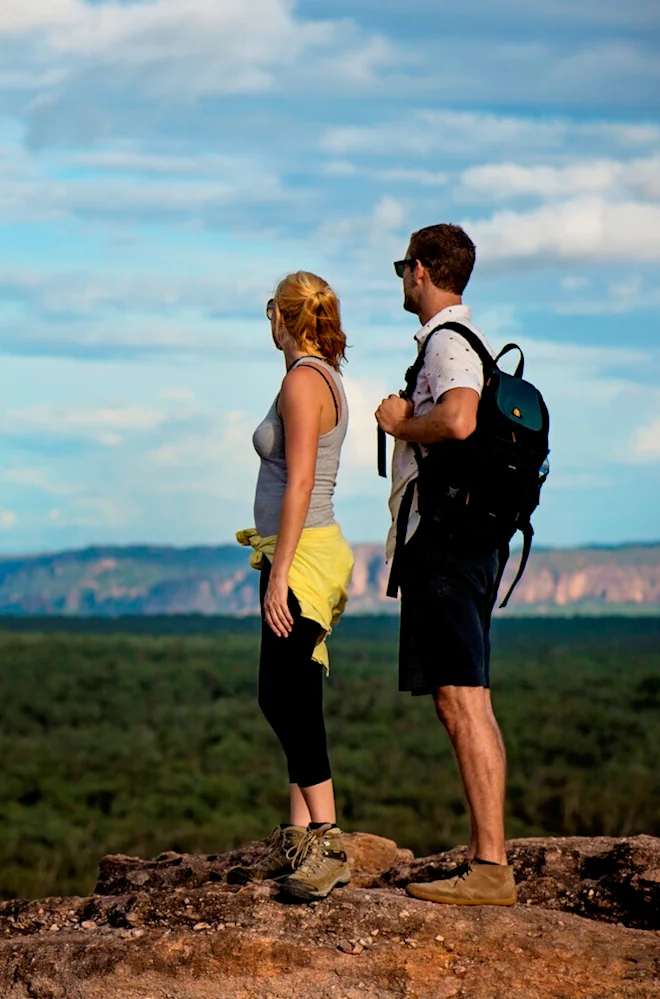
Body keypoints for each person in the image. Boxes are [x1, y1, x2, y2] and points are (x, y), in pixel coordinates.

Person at [374, 223, 516, 906]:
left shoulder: (447, 344)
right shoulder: (466, 342)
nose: (403, 276)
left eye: (406, 265)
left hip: (450, 543)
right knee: (467, 696)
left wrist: (401, 424)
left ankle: (489, 866)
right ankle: (486, 857)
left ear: (423, 271)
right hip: (469, 540)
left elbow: (459, 420)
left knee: (462, 699)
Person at [231, 271, 355, 902]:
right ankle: (301, 834)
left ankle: (327, 843)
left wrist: (280, 575)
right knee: (291, 687)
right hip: (301, 551)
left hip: (301, 556)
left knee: (284, 696)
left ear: (280, 314)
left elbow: (301, 483)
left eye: (269, 313)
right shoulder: (320, 375)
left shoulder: (303, 381)